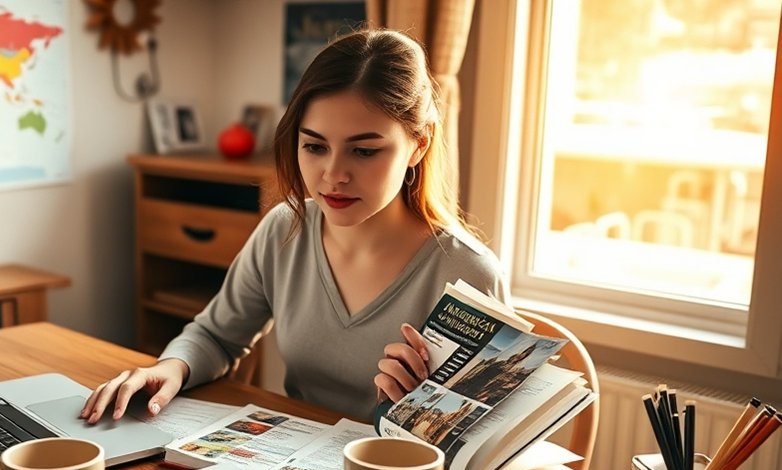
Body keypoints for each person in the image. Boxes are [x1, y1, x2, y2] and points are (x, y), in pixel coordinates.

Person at [81, 28, 508, 424]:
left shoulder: (467, 274)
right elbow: (216, 335)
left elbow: (487, 436)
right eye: (315, 146)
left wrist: (421, 412)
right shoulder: (285, 229)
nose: (333, 175)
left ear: (420, 144)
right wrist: (169, 369)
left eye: (364, 152)